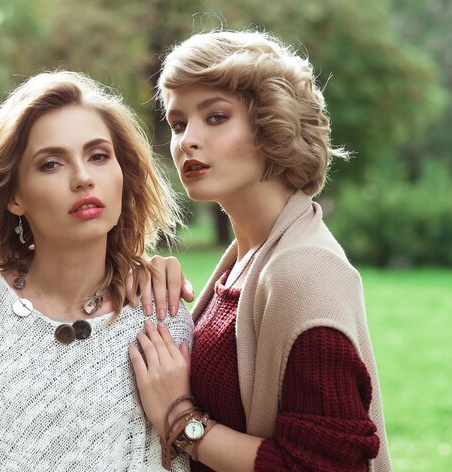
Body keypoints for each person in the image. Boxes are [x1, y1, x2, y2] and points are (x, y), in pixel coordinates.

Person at [0, 71, 193, 471]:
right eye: (51, 164)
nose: (83, 178)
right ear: (14, 196)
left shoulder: (161, 318)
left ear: (123, 175)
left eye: (98, 156)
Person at [129, 30, 392, 471]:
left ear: (272, 123)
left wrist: (182, 418)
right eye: (178, 124)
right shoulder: (247, 260)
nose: (187, 141)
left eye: (215, 117)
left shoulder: (304, 271)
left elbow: (323, 466)